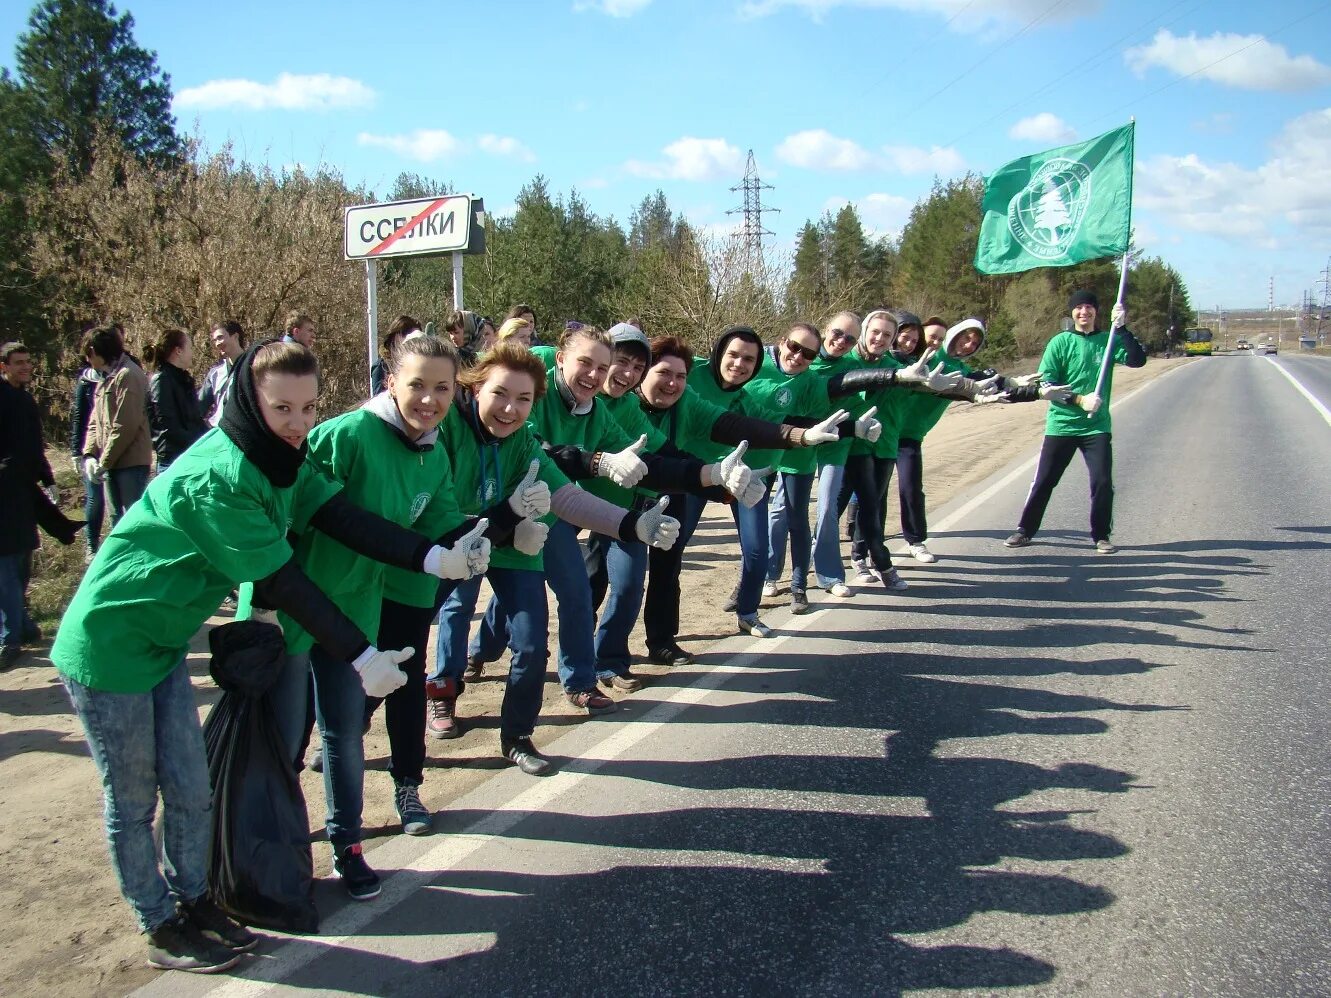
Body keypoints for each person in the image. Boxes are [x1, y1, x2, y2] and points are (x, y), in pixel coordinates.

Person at [51, 340, 462, 972]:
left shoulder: (283, 460)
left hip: (162, 642)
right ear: (249, 401)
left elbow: (340, 516)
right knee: (133, 800)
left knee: (191, 788)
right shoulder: (220, 477)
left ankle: (196, 902)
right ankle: (158, 923)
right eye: (282, 409)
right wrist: (360, 653)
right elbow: (282, 583)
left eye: (308, 407)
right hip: (110, 642)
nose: (300, 424)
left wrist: (427, 556)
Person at [263, 335, 492, 876]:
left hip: (361, 608)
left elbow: (439, 523)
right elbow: (301, 517)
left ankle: (348, 845)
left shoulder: (433, 451)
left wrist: (484, 537)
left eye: (442, 388)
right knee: (288, 735)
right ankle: (281, 845)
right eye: (416, 385)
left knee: (344, 732)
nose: (429, 400)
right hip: (301, 607)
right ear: (390, 382)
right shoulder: (347, 435)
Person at [426, 342, 681, 761]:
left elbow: (567, 498)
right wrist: (507, 527)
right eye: (500, 394)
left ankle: (518, 738)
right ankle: (426, 696)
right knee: (431, 620)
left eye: (523, 399)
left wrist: (633, 524)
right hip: (457, 543)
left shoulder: (524, 441)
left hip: (516, 540)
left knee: (530, 643)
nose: (510, 409)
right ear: (475, 390)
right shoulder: (447, 429)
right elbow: (444, 514)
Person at [1006, 291, 1146, 554]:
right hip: (1062, 424)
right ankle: (1025, 529)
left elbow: (1138, 361)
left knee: (1102, 482)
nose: (1084, 312)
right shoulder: (1060, 342)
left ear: (1096, 312)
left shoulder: (1108, 340)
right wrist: (1080, 400)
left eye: (1089, 307)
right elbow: (1046, 382)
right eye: (1079, 308)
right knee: (1045, 480)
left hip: (1096, 426)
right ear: (1072, 313)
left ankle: (1101, 535)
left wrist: (1123, 328)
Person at [1, 341, 73, 667]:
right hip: (3, 492)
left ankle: (25, 627)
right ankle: (10, 638)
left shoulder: (26, 400)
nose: (26, 367)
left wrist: (48, 479)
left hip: (23, 493)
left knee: (21, 563)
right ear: (4, 366)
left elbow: (35, 446)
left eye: (28, 361)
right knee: (6, 564)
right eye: (18, 363)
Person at [81, 326, 153, 526]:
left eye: (89, 354)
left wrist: (104, 461)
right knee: (116, 522)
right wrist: (89, 456)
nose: (87, 360)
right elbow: (95, 421)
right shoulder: (105, 378)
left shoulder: (128, 375)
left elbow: (125, 425)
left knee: (134, 522)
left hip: (131, 465)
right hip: (111, 464)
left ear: (96, 351)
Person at [145, 329, 208, 469]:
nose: (192, 353)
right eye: (190, 348)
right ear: (178, 351)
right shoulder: (161, 381)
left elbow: (195, 420)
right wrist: (200, 444)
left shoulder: (183, 379)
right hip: (173, 462)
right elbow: (169, 428)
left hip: (191, 456)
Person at [70, 333, 106, 560]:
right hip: (90, 448)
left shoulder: (120, 374)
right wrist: (77, 451)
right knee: (95, 497)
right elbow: (79, 417)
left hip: (115, 447)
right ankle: (91, 545)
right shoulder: (86, 381)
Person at [198, 321, 245, 428]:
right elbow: (199, 407)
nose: (217, 343)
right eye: (215, 340)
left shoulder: (255, 367)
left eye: (220, 337)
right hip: (221, 432)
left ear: (235, 336)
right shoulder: (215, 374)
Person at [370, 315, 421, 396]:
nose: (411, 339)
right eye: (406, 334)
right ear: (394, 336)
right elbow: (379, 398)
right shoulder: (381, 366)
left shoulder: (421, 363)